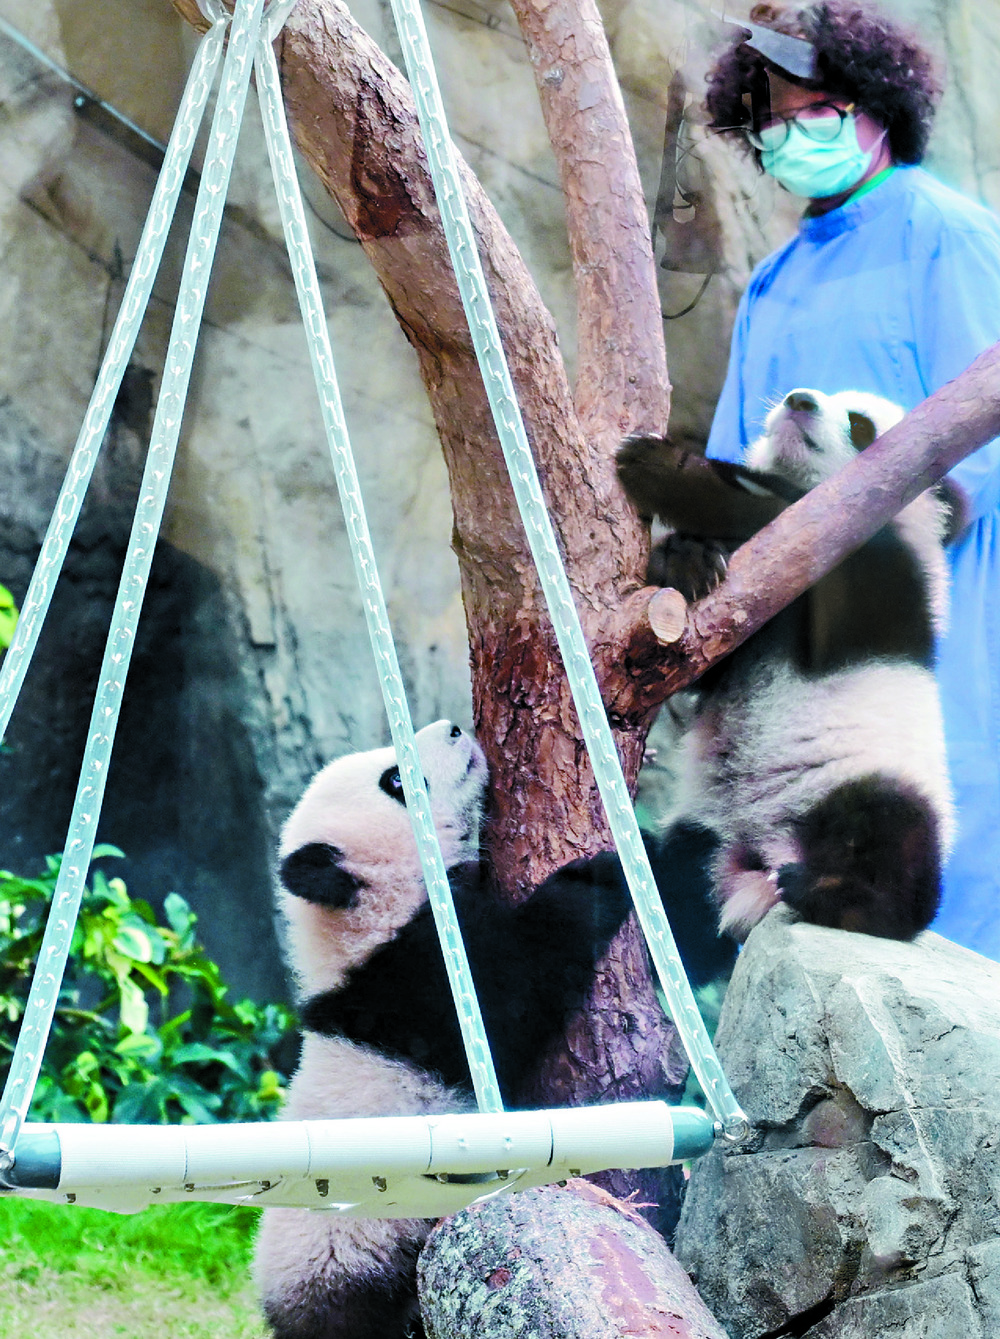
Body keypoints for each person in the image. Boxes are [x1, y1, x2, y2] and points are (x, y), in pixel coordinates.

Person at [702, 1, 1000, 960]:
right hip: (801, 668)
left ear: (877, 104)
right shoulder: (773, 282)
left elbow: (980, 461)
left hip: (941, 629)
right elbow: (730, 476)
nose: (792, 134)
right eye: (771, 122)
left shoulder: (947, 236)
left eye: (814, 109)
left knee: (954, 881)